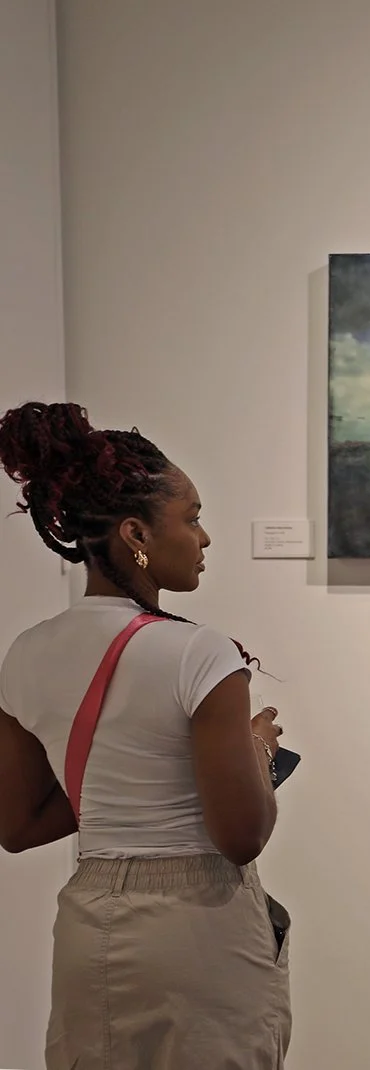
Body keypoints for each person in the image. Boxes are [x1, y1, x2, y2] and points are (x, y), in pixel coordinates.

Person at [0, 401, 292, 1069]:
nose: (204, 538)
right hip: (197, 925)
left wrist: (129, 782)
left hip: (89, 921)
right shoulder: (199, 652)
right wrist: (257, 748)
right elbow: (241, 835)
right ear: (136, 533)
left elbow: (18, 825)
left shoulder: (25, 652)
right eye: (191, 518)